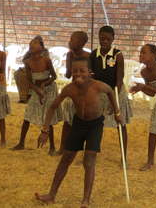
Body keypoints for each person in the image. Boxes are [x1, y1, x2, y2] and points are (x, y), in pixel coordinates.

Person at [35, 58, 122, 207]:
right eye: (75, 71)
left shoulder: (98, 86)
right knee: (65, 160)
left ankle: (85, 200)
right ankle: (51, 195)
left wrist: (117, 112)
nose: (77, 74)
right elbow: (52, 107)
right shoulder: (69, 89)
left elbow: (110, 92)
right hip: (78, 124)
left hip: (95, 125)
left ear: (90, 73)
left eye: (82, 70)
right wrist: (45, 129)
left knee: (89, 160)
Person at [89, 25, 132, 164]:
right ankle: (92, 152)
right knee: (95, 123)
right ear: (99, 38)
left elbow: (120, 77)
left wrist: (114, 97)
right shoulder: (93, 54)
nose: (105, 41)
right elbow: (91, 76)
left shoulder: (118, 55)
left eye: (108, 39)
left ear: (113, 39)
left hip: (116, 91)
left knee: (120, 123)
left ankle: (123, 156)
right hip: (99, 92)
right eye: (102, 38)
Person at [11, 37, 62, 155]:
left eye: (35, 43)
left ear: (41, 47)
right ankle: (21, 143)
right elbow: (29, 81)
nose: (32, 44)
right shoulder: (28, 62)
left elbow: (54, 76)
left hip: (49, 90)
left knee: (48, 118)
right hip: (36, 90)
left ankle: (52, 147)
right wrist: (37, 90)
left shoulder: (47, 60)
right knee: (28, 115)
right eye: (31, 43)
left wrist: (44, 85)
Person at [58, 31, 90, 155]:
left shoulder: (88, 56)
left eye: (73, 40)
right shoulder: (69, 55)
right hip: (74, 90)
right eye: (70, 39)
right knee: (67, 120)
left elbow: (90, 75)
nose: (70, 42)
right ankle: (62, 148)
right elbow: (68, 74)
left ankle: (82, 149)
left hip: (85, 91)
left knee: (84, 121)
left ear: (82, 43)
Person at [14, 35, 49, 103]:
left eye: (37, 43)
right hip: (30, 68)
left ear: (41, 44)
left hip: (40, 70)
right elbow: (24, 60)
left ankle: (31, 95)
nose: (34, 45)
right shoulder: (30, 51)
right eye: (34, 43)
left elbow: (45, 63)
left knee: (32, 75)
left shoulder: (45, 51)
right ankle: (23, 97)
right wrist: (30, 55)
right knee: (18, 73)